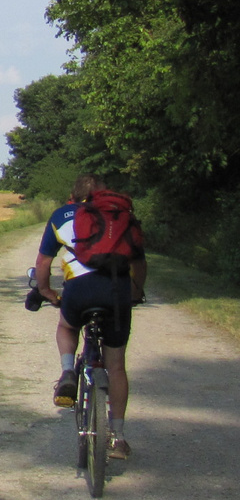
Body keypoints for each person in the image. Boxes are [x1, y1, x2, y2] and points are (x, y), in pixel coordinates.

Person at [32, 173, 146, 461]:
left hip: (79, 292)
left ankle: (68, 370)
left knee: (67, 327)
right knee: (116, 366)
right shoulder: (120, 215)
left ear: (74, 194)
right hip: (116, 292)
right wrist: (135, 293)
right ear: (103, 193)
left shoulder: (61, 215)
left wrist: (46, 291)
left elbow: (43, 263)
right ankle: (118, 438)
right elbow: (139, 263)